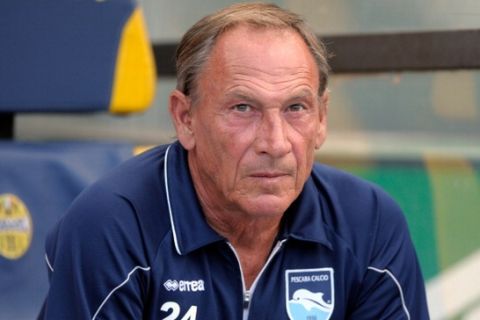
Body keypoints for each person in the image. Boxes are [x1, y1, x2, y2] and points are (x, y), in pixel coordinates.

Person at [39, 3, 429, 319]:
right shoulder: (112, 224)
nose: (275, 143)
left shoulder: (369, 222)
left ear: (322, 119)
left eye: (296, 107)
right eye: (243, 108)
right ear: (185, 119)